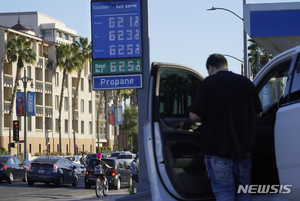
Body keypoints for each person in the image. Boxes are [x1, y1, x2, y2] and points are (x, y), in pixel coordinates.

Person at [189, 54, 262, 201]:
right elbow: (258, 113)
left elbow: (195, 116)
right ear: (225, 65)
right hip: (244, 149)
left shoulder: (208, 84)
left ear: (211, 68)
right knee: (244, 192)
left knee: (224, 193)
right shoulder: (246, 83)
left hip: (216, 150)